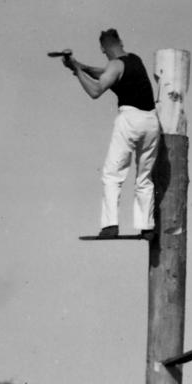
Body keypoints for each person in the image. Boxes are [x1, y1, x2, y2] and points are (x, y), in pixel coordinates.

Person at [62, 29, 161, 238]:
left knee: (112, 174)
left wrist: (78, 73)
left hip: (130, 119)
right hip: (151, 121)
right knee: (144, 177)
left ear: (102, 48)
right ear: (120, 42)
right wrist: (80, 66)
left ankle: (110, 225)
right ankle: (147, 227)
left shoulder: (114, 65)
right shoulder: (134, 60)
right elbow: (106, 73)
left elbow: (96, 90)